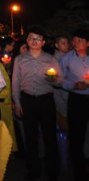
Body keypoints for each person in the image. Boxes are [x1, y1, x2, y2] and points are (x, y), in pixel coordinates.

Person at [11, 27, 62, 181]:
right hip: (27, 101)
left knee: (49, 137)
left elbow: (60, 81)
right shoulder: (20, 59)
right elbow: (15, 83)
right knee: (30, 137)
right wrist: (17, 103)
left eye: (38, 39)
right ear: (27, 41)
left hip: (46, 101)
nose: (34, 41)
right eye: (31, 38)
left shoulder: (51, 59)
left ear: (43, 42)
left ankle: (53, 171)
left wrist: (53, 79)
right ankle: (33, 170)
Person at [60, 28, 89, 181]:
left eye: (80, 40)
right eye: (75, 40)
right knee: (77, 135)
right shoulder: (66, 59)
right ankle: (79, 170)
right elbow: (60, 79)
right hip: (77, 99)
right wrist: (74, 85)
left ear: (87, 43)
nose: (75, 42)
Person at [53, 35, 70, 133]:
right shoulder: (53, 60)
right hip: (59, 93)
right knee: (63, 117)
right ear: (56, 45)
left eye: (67, 43)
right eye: (63, 43)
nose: (66, 45)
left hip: (70, 92)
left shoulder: (71, 57)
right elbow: (54, 80)